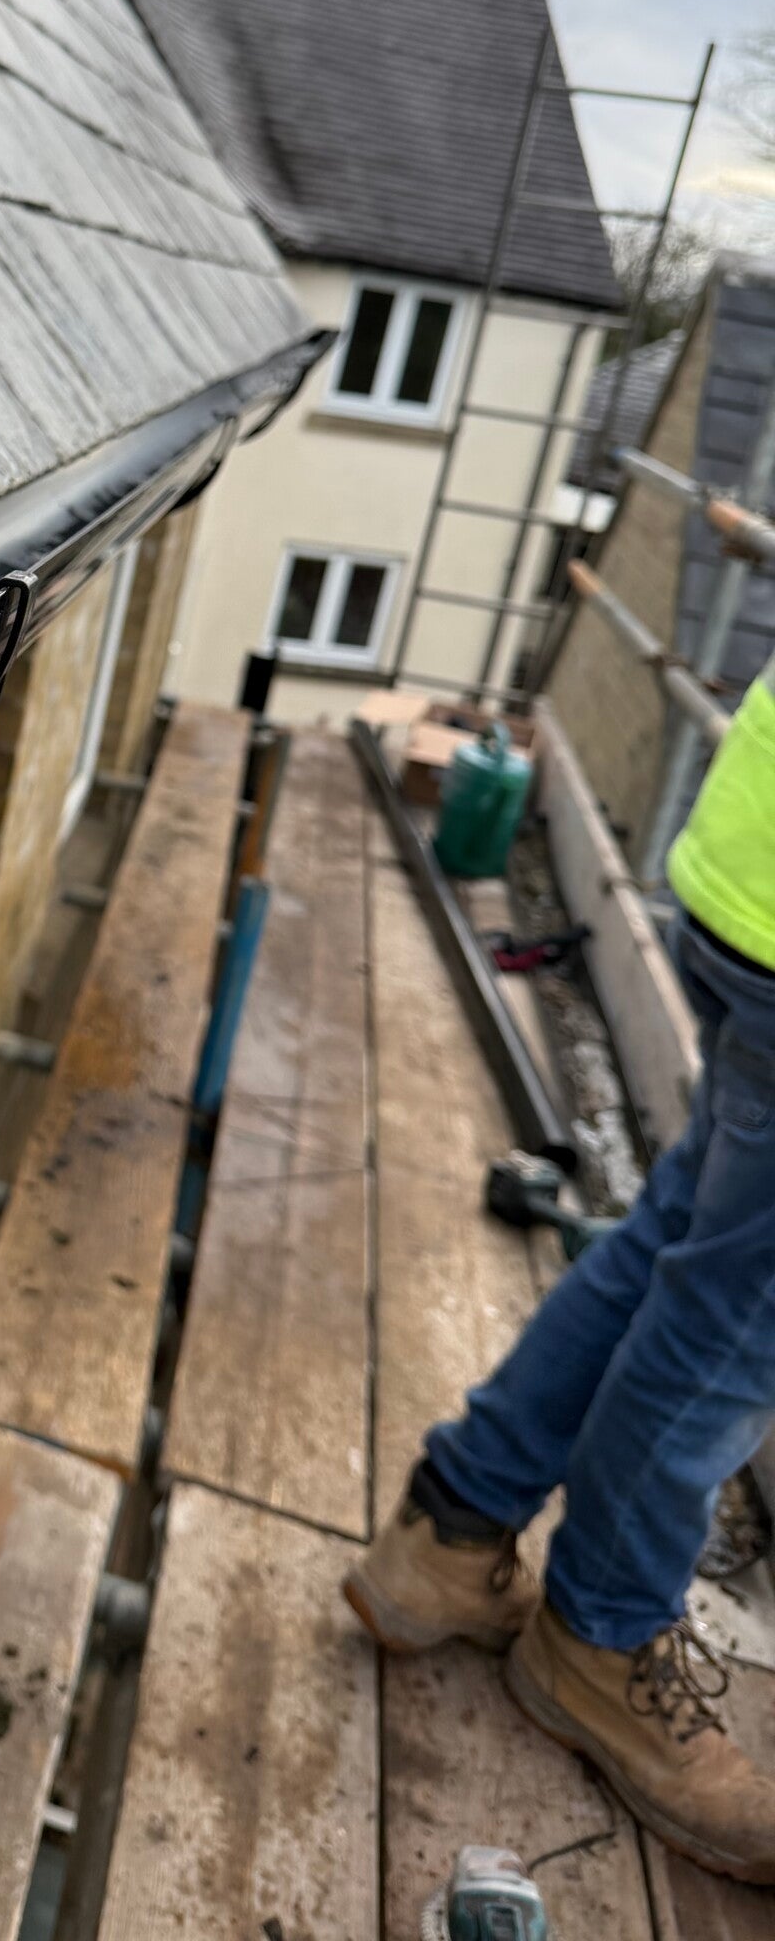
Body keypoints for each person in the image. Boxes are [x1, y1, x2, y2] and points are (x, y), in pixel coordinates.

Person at [345, 646, 775, 1884]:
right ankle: (597, 1639)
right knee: (733, 1321)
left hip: (751, 865)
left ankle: (450, 1527)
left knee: (677, 1251)